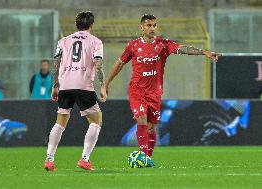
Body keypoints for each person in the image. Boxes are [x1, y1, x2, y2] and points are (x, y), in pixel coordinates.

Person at [105, 14, 219, 167]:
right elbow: (119, 64)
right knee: (142, 119)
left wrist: (203, 52)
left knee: (152, 127)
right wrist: (106, 83)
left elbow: (183, 49)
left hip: (154, 93)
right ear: (142, 27)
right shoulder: (133, 46)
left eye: (154, 25)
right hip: (137, 91)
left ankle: (147, 158)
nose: (152, 28)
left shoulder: (163, 45)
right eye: (148, 25)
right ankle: (143, 156)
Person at [44, 11, 107, 172]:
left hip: (65, 85)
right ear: (91, 25)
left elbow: (56, 63)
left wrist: (54, 85)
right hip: (84, 85)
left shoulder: (64, 40)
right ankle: (84, 159)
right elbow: (98, 64)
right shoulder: (96, 42)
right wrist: (103, 85)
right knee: (96, 121)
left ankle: (49, 160)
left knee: (60, 122)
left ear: (76, 25)